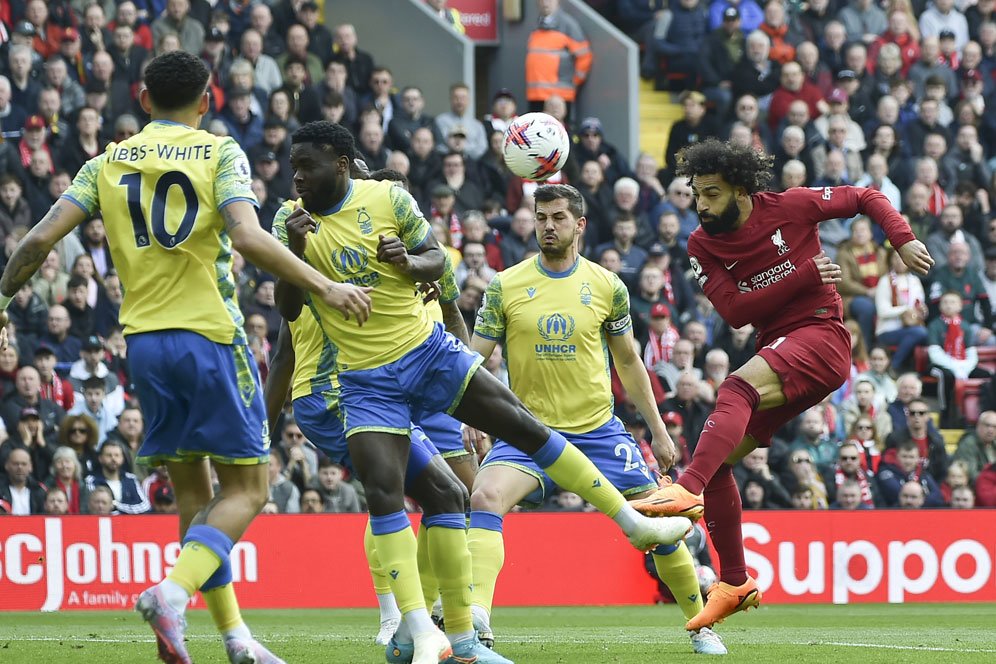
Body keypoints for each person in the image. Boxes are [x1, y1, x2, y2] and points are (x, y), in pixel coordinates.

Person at [0, 52, 372, 664]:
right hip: (209, 339)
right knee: (252, 488)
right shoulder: (220, 152)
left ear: (142, 99)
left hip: (143, 348)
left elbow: (38, 240)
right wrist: (326, 285)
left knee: (196, 498)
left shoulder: (104, 162)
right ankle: (172, 593)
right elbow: (249, 237)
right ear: (208, 100)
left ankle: (233, 638)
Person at [281, 120, 691, 663]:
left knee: (514, 433)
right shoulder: (292, 219)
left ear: (338, 161)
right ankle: (419, 627)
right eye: (292, 167)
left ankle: (629, 524)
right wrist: (295, 249)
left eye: (305, 165)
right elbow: (287, 311)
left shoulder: (390, 199)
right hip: (364, 380)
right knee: (400, 494)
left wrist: (406, 260)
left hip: (428, 355)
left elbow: (436, 266)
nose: (296, 177)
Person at [629, 138, 931, 629]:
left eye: (711, 194)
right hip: (779, 347)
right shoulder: (701, 243)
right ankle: (733, 580)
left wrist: (901, 237)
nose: (700, 206)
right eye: (696, 194)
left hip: (822, 336)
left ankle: (686, 488)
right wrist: (803, 274)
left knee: (732, 392)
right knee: (721, 458)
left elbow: (866, 196)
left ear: (742, 190)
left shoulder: (792, 205)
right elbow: (734, 312)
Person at [469, 184, 727, 655]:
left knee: (661, 519)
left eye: (559, 217)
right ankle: (478, 625)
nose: (548, 226)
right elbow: (473, 359)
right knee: (484, 498)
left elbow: (629, 362)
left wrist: (659, 430)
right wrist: (466, 413)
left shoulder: (608, 286)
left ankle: (701, 624)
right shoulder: (505, 285)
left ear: (580, 224)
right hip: (528, 432)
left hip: (598, 433)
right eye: (541, 216)